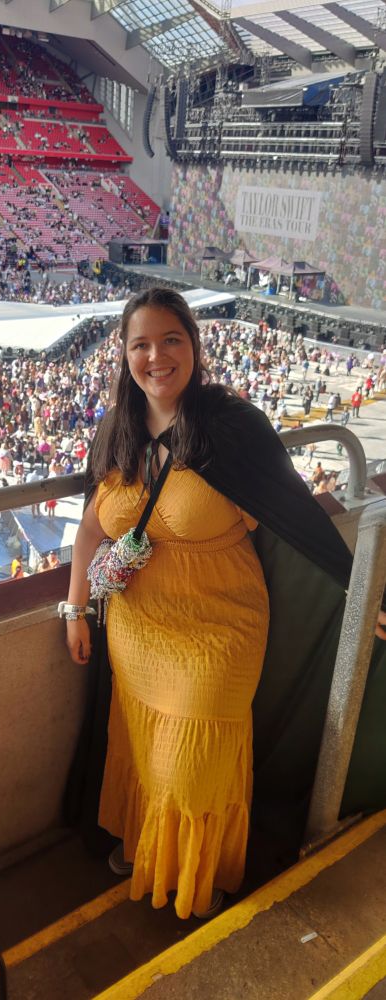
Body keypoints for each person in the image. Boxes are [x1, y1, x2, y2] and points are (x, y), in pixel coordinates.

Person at [63, 287, 386, 923]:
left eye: (171, 340)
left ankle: (195, 871)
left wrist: (357, 592)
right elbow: (92, 529)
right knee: (141, 743)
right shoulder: (116, 429)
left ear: (193, 344)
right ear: (124, 354)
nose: (156, 357)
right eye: (141, 344)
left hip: (220, 625)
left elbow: (295, 520)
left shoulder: (232, 425)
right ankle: (146, 842)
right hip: (137, 627)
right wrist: (75, 610)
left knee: (193, 761)